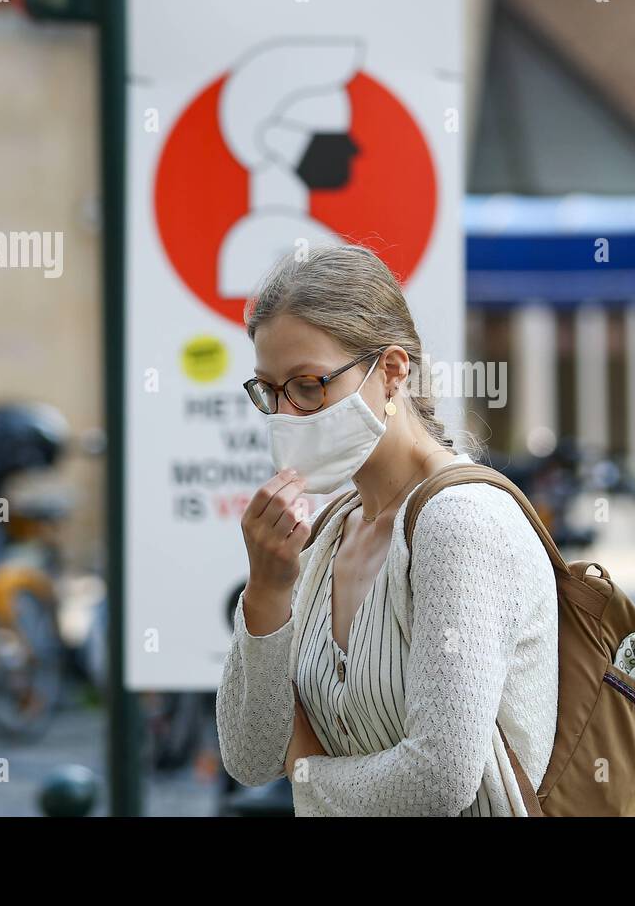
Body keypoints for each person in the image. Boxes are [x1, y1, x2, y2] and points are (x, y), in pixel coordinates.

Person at [215, 244, 558, 816]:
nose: (286, 415)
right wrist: (268, 589)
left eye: (307, 385)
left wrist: (304, 778)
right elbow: (249, 759)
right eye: (269, 392)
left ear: (392, 372)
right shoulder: (327, 533)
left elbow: (441, 778)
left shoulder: (461, 520)